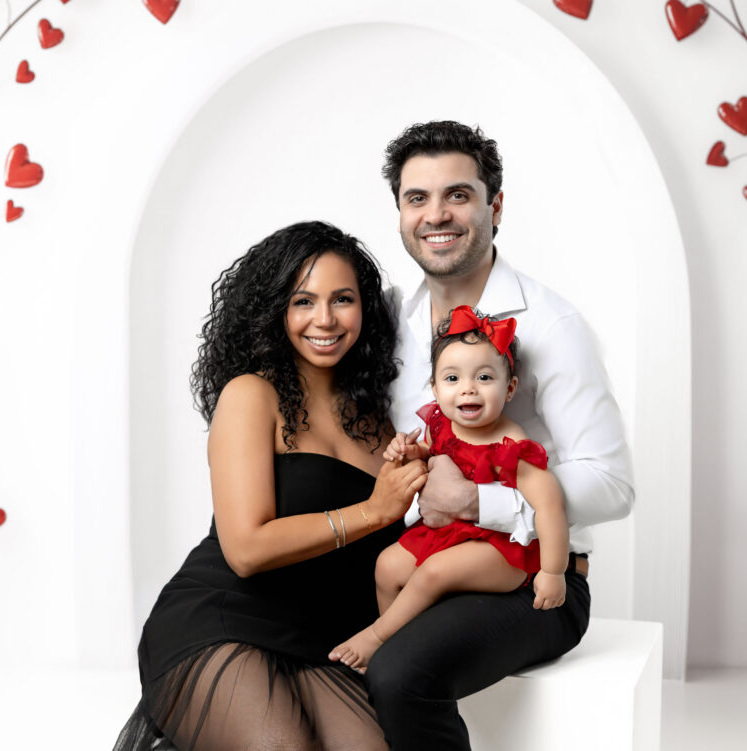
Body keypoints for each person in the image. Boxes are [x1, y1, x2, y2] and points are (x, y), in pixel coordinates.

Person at [360, 121, 634, 750]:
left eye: (457, 195)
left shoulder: (553, 326)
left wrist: (478, 502)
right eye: (417, 198)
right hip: (423, 555)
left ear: (496, 207)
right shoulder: (393, 321)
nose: (436, 215)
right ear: (400, 213)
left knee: (400, 677)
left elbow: (613, 483)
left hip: (532, 578)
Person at [113, 221, 427, 751]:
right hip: (224, 620)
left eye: (342, 299)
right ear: (275, 309)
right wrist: (374, 511)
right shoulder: (251, 395)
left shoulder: (383, 421)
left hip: (324, 642)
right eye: (303, 301)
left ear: (365, 310)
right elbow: (246, 549)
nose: (324, 319)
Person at [330, 306, 568, 671]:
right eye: (453, 378)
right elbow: (431, 453)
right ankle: (400, 650)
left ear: (510, 388)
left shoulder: (511, 445)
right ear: (435, 388)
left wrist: (553, 572)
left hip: (501, 551)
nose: (468, 388)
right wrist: (411, 452)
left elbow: (551, 506)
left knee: (433, 572)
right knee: (387, 566)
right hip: (450, 535)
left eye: (484, 377)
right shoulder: (442, 425)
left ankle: (378, 637)